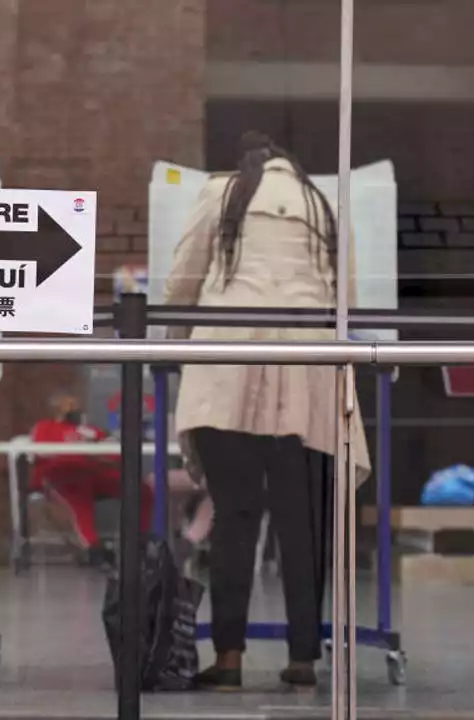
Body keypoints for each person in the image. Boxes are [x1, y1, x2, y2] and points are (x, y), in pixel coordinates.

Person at [164, 131, 371, 689]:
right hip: (308, 373)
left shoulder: (223, 192)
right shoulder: (323, 206)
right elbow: (348, 295)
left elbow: (184, 276)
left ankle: (228, 659)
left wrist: (168, 339)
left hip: (228, 368)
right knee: (301, 523)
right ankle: (303, 657)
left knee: (234, 516)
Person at [30, 392, 152, 567]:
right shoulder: (45, 427)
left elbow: (113, 451)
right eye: (69, 405)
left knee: (141, 490)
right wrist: (76, 449)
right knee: (78, 496)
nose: (75, 409)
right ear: (57, 409)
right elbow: (40, 451)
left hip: (93, 471)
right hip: (62, 474)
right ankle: (94, 550)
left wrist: (97, 449)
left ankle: (139, 544)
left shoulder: (87, 430)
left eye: (76, 405)